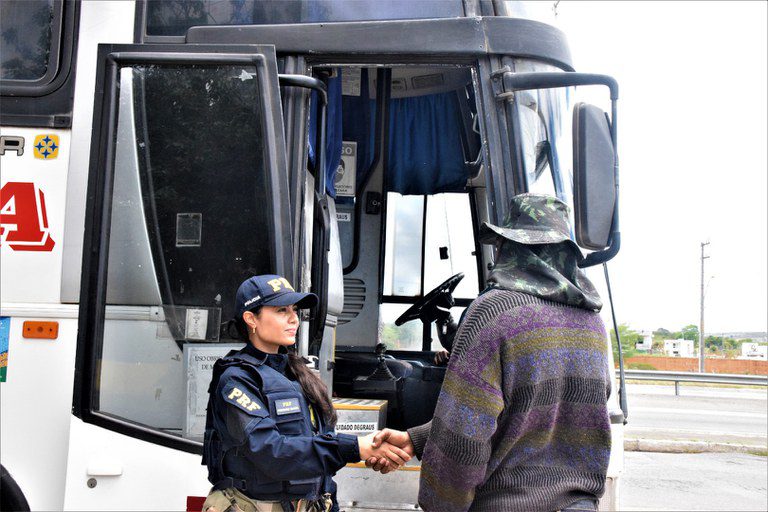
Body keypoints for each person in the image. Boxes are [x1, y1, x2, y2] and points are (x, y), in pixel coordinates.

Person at [367, 194, 613, 512]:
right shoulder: (592, 323)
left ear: (509, 248)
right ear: (564, 254)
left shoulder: (494, 311)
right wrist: (418, 439)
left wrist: (440, 505)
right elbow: (540, 413)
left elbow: (464, 435)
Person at [202, 274, 411, 512]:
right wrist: (356, 447)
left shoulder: (296, 373)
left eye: (294, 310)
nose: (294, 319)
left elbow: (317, 455)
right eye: (281, 310)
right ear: (251, 319)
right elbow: (272, 452)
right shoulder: (237, 379)